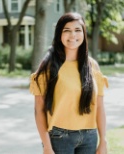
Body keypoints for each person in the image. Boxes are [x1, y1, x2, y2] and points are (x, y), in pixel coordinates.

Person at [30, 12, 108, 154]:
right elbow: (39, 110)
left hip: (90, 137)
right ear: (59, 34)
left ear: (84, 34)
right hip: (59, 137)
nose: (73, 35)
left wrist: (103, 140)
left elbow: (100, 107)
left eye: (78, 30)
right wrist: (47, 146)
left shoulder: (93, 66)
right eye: (67, 30)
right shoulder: (48, 66)